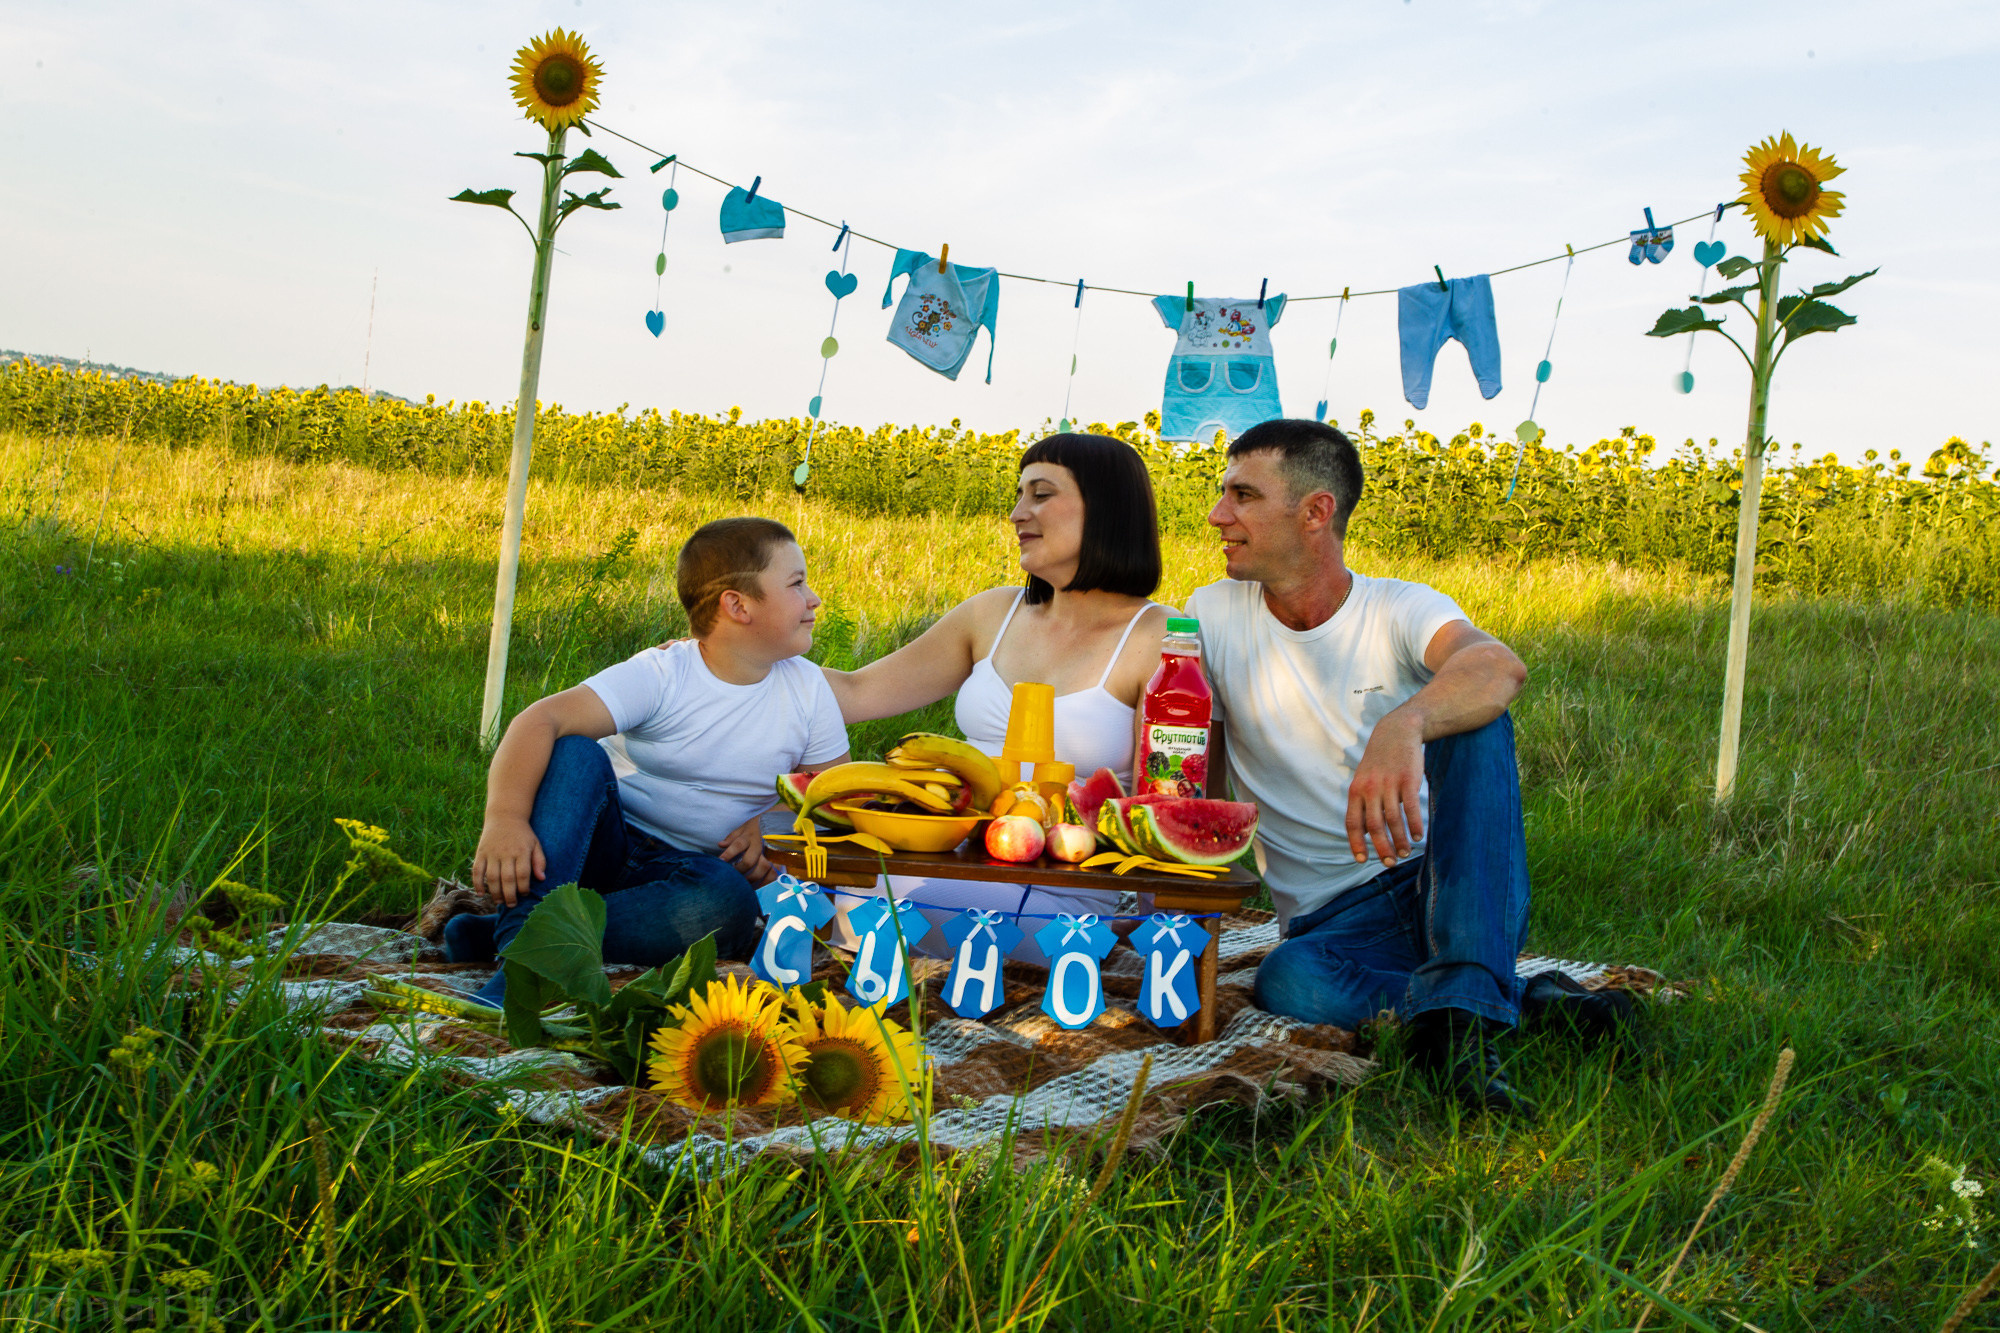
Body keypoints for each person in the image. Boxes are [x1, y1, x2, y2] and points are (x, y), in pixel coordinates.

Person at [1188, 418, 1627, 1115]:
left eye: (1243, 495)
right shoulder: (1209, 615)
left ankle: (1458, 1034)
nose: (1218, 515)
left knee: (1478, 722)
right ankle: (1513, 1003)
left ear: (1315, 512)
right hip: (1328, 924)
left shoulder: (1398, 606)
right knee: (1289, 983)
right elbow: (1198, 766)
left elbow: (1496, 665)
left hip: (1447, 888)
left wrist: (1407, 722)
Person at [453, 517, 851, 1007]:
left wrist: (769, 823)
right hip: (596, 848)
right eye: (796, 584)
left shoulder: (808, 690)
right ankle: (524, 971)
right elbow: (540, 720)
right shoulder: (665, 674)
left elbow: (833, 794)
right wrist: (505, 819)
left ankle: (509, 933)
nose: (813, 598)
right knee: (574, 752)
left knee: (728, 904)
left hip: (687, 876)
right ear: (737, 605)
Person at [821, 432, 1175, 965]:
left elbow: (1174, 798)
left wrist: (1149, 919)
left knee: (875, 901)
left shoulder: (1156, 637)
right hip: (950, 859)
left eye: (1040, 494)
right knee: (798, 855)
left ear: (1105, 510)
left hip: (1064, 894)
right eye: (1018, 495)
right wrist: (723, 658)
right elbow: (855, 691)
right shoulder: (992, 613)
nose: (1016, 513)